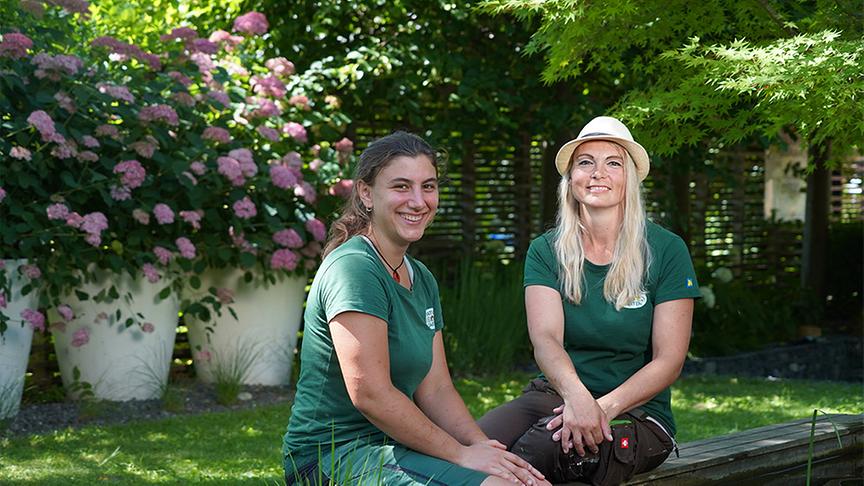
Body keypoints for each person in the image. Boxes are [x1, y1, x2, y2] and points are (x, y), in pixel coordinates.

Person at [282, 131, 549, 486]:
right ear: (366, 193)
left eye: (428, 187)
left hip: (395, 447)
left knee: (519, 480)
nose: (419, 201)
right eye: (402, 187)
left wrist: (483, 448)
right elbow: (371, 396)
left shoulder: (420, 277)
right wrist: (461, 455)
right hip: (332, 456)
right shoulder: (355, 269)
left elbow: (436, 389)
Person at [477, 116, 700, 485]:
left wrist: (601, 408)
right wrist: (578, 398)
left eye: (613, 163)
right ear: (571, 178)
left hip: (637, 413)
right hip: (558, 393)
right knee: (472, 448)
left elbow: (669, 360)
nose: (598, 173)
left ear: (630, 178)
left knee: (534, 453)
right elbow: (546, 339)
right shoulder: (546, 250)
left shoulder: (666, 250)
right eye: (585, 162)